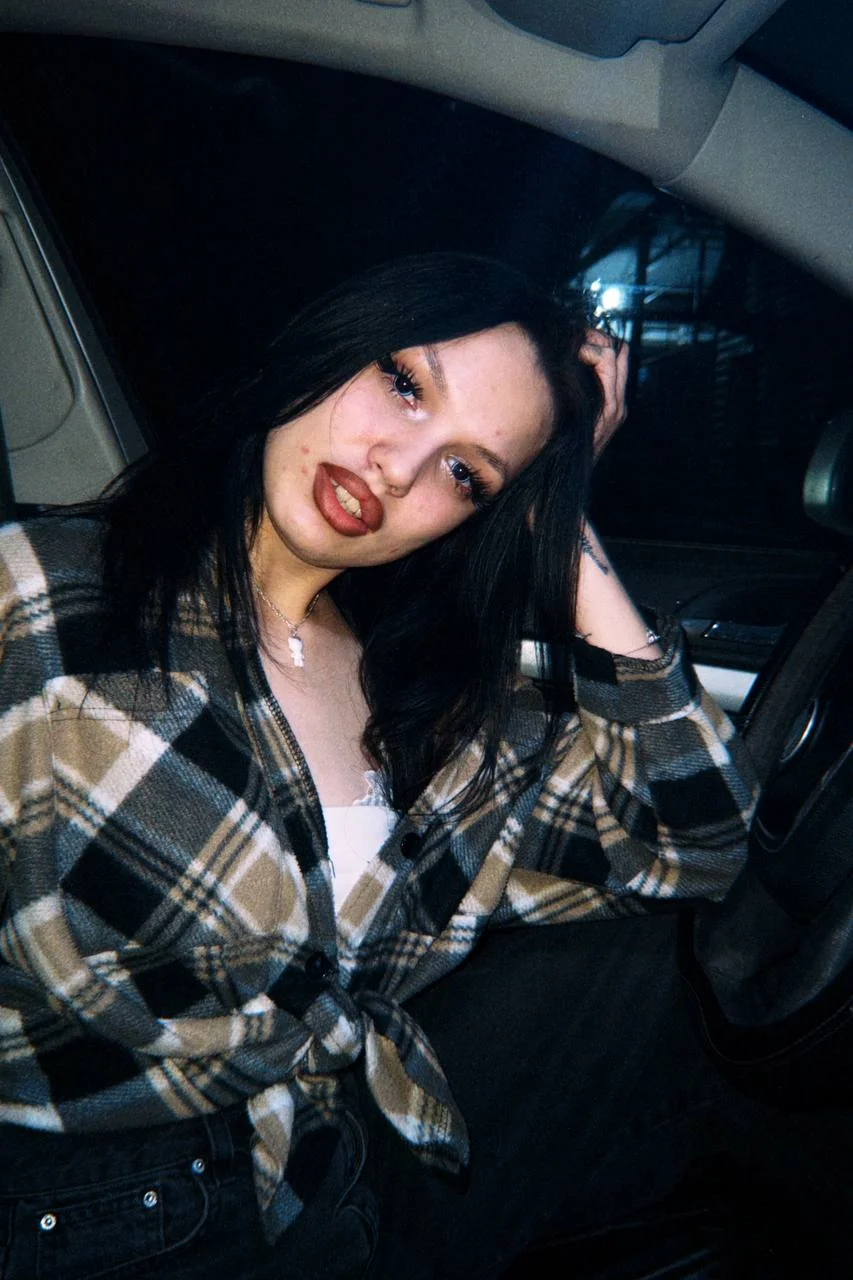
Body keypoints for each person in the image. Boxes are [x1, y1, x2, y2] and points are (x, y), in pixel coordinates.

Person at [0, 253, 758, 1280]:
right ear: (336, 341)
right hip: (81, 1211)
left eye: (465, 474)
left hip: (314, 1178)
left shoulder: (433, 712)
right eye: (404, 383)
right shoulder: (48, 598)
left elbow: (695, 843)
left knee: (667, 986)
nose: (399, 468)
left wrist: (561, 521)